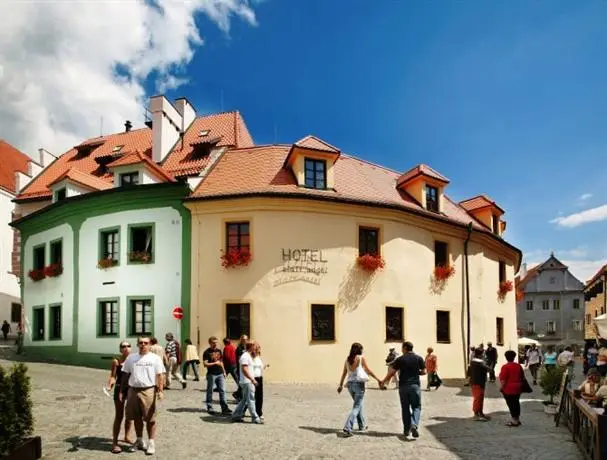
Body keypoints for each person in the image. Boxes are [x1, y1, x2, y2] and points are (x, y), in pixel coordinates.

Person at [120, 336, 165, 455]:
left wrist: (160, 390)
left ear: (150, 345)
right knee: (136, 417)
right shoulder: (131, 358)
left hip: (148, 390)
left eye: (146, 343)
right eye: (141, 343)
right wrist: (121, 391)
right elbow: (125, 374)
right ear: (137, 344)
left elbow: (160, 375)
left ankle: (151, 442)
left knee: (150, 419)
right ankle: (139, 440)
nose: (143, 345)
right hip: (133, 391)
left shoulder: (155, 358)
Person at [380, 341, 426, 439]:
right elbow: (424, 371)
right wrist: (416, 373)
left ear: (405, 348)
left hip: (403, 386)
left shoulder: (400, 359)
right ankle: (414, 424)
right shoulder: (419, 358)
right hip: (415, 386)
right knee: (416, 407)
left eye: (402, 348)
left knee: (405, 408)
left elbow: (392, 372)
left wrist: (383, 381)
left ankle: (406, 429)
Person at [337, 342, 381, 436]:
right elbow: (368, 370)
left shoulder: (347, 360)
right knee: (356, 406)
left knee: (359, 404)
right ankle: (348, 427)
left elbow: (344, 373)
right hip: (359, 384)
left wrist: (340, 385)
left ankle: (362, 425)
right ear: (359, 350)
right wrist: (378, 379)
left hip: (349, 385)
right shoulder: (361, 358)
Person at [106, 341, 134, 454]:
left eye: (128, 346)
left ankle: (127, 436)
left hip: (131, 389)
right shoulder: (116, 361)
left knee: (130, 414)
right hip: (119, 389)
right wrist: (109, 385)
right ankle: (115, 442)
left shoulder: (134, 360)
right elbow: (113, 376)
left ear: (131, 348)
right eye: (123, 346)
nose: (126, 348)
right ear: (120, 349)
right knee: (119, 415)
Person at [231, 341, 262, 424]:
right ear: (251, 347)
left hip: (247, 381)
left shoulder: (248, 355)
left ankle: (236, 416)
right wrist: (252, 379)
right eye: (254, 346)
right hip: (247, 381)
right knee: (251, 399)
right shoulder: (245, 356)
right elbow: (244, 370)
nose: (255, 348)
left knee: (244, 399)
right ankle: (255, 418)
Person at [202, 336, 231, 415]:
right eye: (213, 343)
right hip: (212, 374)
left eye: (216, 342)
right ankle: (209, 406)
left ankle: (224, 408)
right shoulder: (206, 352)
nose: (215, 344)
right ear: (210, 343)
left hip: (220, 373)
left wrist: (224, 371)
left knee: (222, 390)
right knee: (210, 390)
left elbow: (221, 361)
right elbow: (205, 364)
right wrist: (214, 363)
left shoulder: (219, 351)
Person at [499, 350, 524, 427]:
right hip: (518, 387)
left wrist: (501, 388)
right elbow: (522, 376)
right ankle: (517, 419)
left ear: (506, 357)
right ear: (514, 357)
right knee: (516, 403)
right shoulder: (518, 366)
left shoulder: (505, 367)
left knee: (511, 404)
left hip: (508, 388)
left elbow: (503, 379)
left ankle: (514, 421)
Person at [469, 348, 491, 421]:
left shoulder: (473, 361)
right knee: (478, 398)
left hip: (476, 382)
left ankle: (480, 413)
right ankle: (476, 414)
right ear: (481, 354)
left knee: (480, 398)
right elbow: (489, 369)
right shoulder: (479, 362)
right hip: (478, 382)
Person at [252, 343, 269, 421]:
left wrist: (265, 366)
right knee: (251, 396)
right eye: (258, 348)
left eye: (259, 348)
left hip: (259, 378)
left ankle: (259, 412)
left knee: (259, 396)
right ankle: (242, 411)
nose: (259, 349)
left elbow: (260, 367)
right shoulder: (251, 357)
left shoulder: (259, 357)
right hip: (253, 378)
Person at [233, 334, 249, 400]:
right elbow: (240, 359)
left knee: (244, 382)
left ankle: (238, 395)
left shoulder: (247, 348)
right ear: (241, 340)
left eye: (246, 339)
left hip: (247, 367)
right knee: (242, 382)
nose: (245, 341)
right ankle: (238, 395)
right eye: (243, 339)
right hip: (240, 368)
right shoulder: (239, 348)